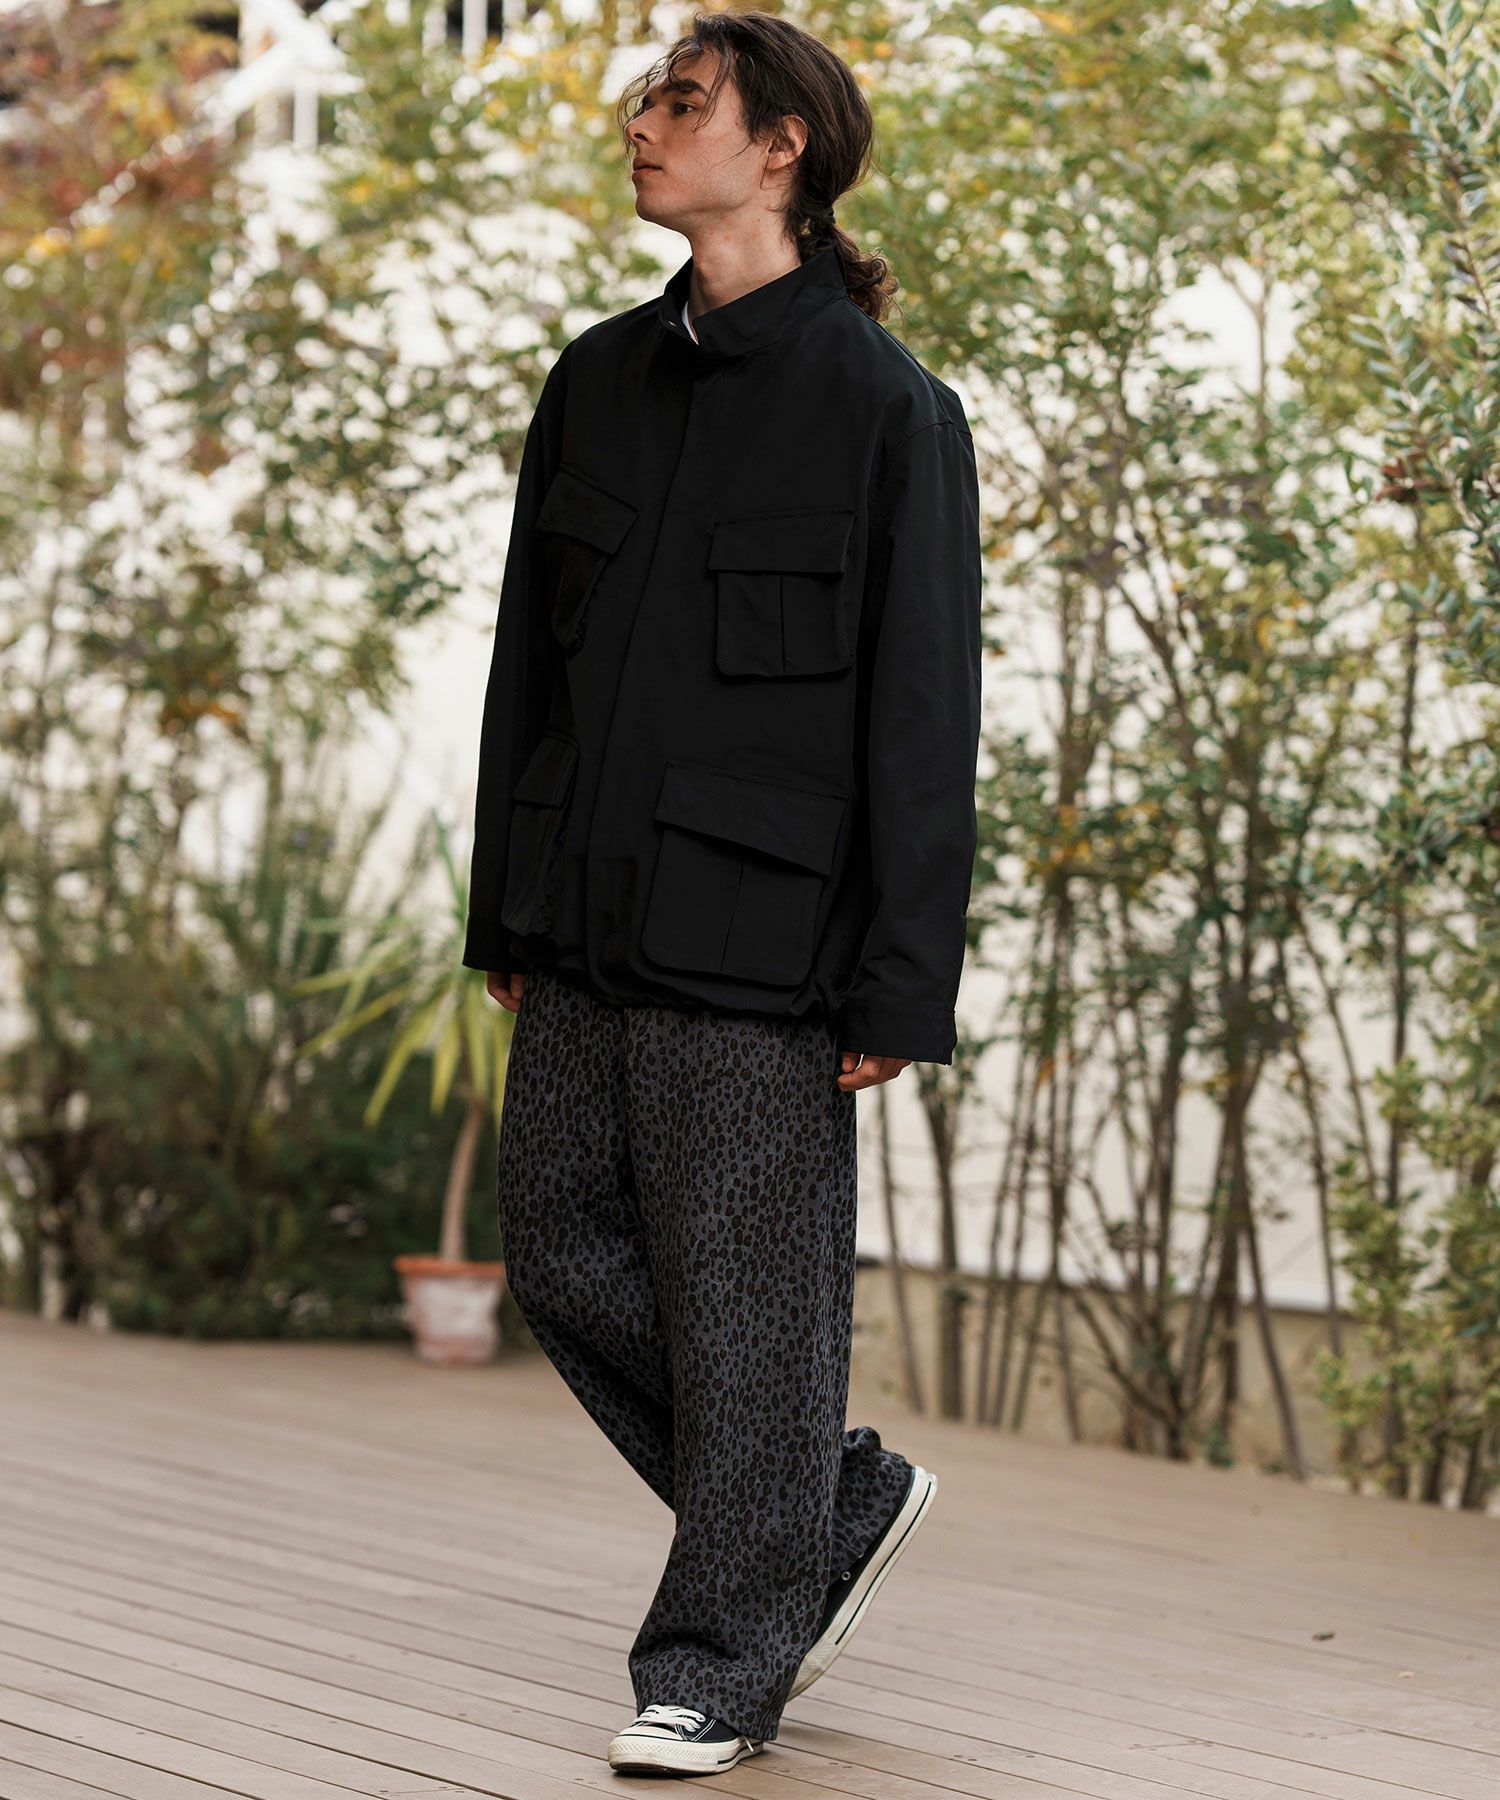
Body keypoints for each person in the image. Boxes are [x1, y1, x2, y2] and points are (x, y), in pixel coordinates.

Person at [462, 10, 982, 1779]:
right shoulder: (597, 381)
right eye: (645, 100)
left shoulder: (889, 412)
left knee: (747, 1305)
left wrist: (899, 983)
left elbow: (922, 718)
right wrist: (503, 906)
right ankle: (831, 1499)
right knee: (558, 1249)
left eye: (680, 102)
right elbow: (528, 667)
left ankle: (717, 1665)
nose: (641, 125)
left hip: (765, 942)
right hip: (578, 918)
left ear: (780, 149)